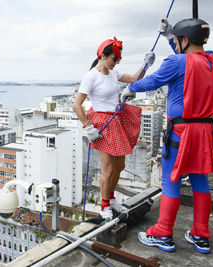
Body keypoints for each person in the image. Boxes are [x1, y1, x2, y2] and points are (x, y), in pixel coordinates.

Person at [123, 18, 213, 254]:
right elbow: (187, 60)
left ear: (185, 40)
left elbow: (157, 78)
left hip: (181, 132)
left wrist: (130, 89)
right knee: (200, 181)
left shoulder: (177, 62)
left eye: (178, 40)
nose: (176, 45)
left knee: (171, 181)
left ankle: (163, 232)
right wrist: (171, 36)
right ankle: (201, 235)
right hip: (205, 130)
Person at [73, 37, 155, 220]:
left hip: (115, 120)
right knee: (108, 168)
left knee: (120, 166)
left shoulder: (113, 73)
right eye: (114, 59)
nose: (116, 63)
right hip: (102, 123)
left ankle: (110, 199)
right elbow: (77, 105)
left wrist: (145, 65)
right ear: (103, 56)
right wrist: (88, 126)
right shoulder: (91, 76)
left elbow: (134, 79)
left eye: (118, 60)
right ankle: (104, 206)